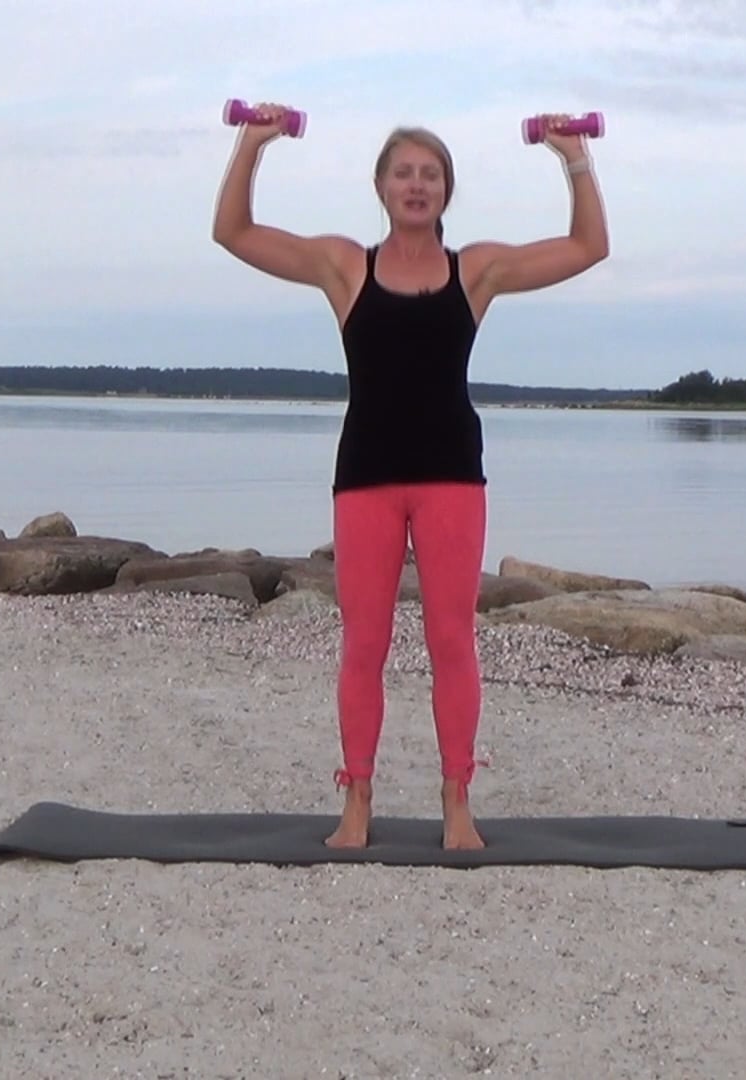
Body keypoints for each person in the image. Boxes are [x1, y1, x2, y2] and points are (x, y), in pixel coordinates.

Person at [211, 104, 609, 850]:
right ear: (382, 187)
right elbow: (232, 233)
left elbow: (590, 246)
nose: (416, 184)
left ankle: (457, 801)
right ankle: (356, 801)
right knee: (365, 643)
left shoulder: (478, 269)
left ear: (445, 191)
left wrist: (573, 157)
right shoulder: (344, 265)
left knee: (452, 640)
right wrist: (252, 144)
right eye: (404, 172)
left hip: (452, 476)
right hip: (366, 476)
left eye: (430, 174)